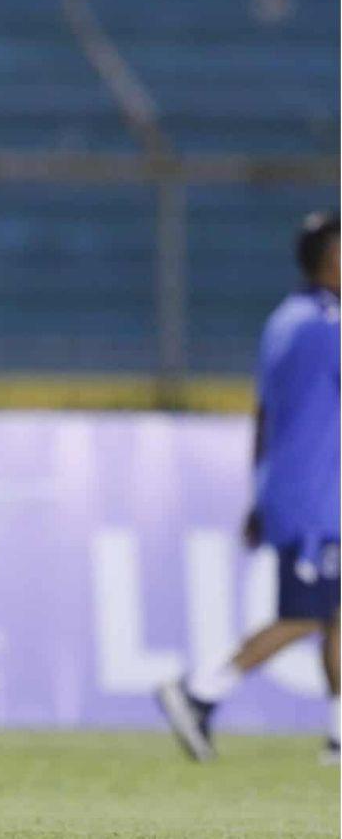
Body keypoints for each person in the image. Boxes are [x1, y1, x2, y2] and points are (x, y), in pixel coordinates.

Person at [157, 211, 340, 764]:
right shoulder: (327, 325)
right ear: (331, 259)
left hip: (292, 485)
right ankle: (199, 692)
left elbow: (264, 413)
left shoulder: (285, 319)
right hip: (316, 497)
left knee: (336, 612)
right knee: (305, 614)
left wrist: (260, 489)